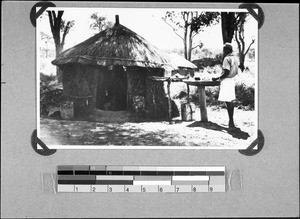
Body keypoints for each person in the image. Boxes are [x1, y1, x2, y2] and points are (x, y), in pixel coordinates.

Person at [212, 43, 239, 128]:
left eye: (224, 50)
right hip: (232, 80)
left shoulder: (226, 58)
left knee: (228, 102)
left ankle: (231, 122)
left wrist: (217, 78)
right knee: (230, 101)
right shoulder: (235, 58)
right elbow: (236, 71)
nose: (223, 51)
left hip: (227, 81)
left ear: (227, 50)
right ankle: (231, 121)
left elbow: (226, 72)